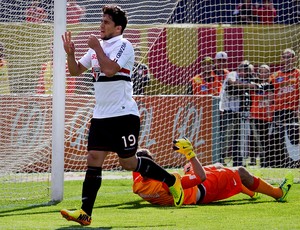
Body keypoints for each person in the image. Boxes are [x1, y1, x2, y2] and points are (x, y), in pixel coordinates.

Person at [60, 5, 184, 226]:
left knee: (127, 162)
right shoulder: (97, 48)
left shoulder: (124, 45)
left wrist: (97, 47)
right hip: (101, 115)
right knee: (93, 159)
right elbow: (76, 70)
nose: (101, 25)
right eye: (101, 21)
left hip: (124, 115)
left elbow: (109, 70)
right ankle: (85, 213)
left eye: (106, 22)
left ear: (118, 27)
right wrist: (71, 54)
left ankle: (170, 179)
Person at [133, 138, 294, 206]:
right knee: (240, 172)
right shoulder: (168, 183)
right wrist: (189, 152)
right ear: (152, 164)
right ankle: (278, 193)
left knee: (216, 165)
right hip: (203, 189)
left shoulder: (138, 185)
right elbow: (201, 177)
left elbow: (136, 165)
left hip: (192, 190)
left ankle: (252, 192)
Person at [269, 48, 300, 168]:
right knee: (279, 137)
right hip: (278, 111)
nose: (287, 59)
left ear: (294, 58)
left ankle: (295, 163)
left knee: (294, 138)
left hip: (292, 110)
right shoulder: (275, 75)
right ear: (282, 59)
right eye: (285, 57)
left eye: (290, 57)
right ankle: (281, 164)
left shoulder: (298, 73)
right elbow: (271, 95)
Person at [249, 65, 274, 166]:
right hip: (255, 115)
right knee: (254, 139)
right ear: (258, 73)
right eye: (261, 72)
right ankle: (253, 160)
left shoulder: (271, 84)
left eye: (265, 72)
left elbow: (271, 99)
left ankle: (265, 161)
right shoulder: (254, 84)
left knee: (265, 139)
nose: (263, 74)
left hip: (267, 116)